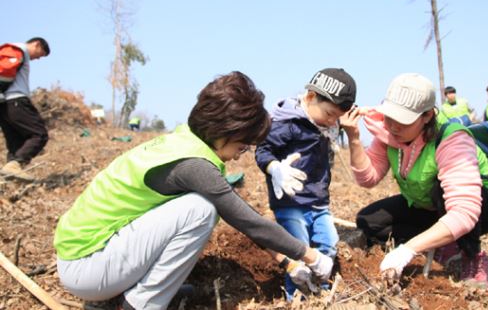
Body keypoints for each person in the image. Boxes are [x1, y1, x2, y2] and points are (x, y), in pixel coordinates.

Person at [54, 72, 333, 310]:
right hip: (87, 268)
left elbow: (240, 217)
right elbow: (247, 220)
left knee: (202, 207)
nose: (239, 156)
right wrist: (310, 256)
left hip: (88, 254)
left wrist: (288, 262)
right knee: (200, 210)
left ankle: (140, 290)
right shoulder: (194, 166)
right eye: (242, 146)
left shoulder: (186, 141)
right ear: (226, 131)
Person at [340, 73, 488, 290]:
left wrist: (407, 250)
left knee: (440, 189)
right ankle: (443, 243)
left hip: (482, 207)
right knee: (369, 221)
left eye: (403, 120)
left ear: (427, 115)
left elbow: (465, 211)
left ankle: (472, 257)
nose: (393, 126)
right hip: (429, 204)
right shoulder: (389, 133)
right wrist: (354, 138)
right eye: (389, 117)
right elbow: (368, 178)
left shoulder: (451, 139)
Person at [255, 68, 356, 299]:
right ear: (310, 97)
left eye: (336, 117)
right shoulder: (288, 123)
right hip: (291, 202)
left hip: (319, 202)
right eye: (329, 114)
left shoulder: (325, 124)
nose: (333, 121)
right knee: (298, 249)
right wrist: (274, 168)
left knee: (329, 244)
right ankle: (297, 298)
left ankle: (321, 291)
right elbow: (263, 150)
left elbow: (353, 115)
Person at [0, 37, 50, 181]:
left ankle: (10, 178)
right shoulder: (18, 50)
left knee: (15, 142)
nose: (38, 58)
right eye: (40, 54)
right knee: (39, 134)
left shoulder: (10, 51)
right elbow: (4, 71)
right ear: (37, 44)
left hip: (3, 105)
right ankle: (15, 165)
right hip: (16, 101)